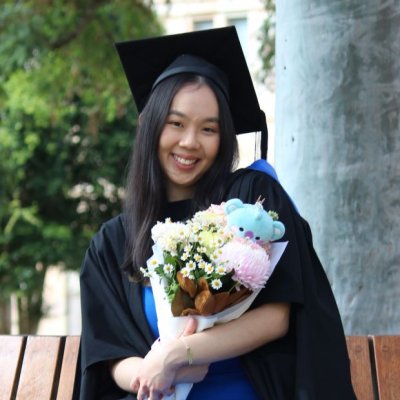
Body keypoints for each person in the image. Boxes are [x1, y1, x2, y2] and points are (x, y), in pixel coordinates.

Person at [76, 27, 356, 400]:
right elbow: (108, 353)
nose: (190, 142)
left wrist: (178, 353)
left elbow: (276, 318)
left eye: (208, 129)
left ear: (223, 137)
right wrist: (153, 372)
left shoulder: (251, 200)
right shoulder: (114, 241)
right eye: (175, 123)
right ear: (148, 124)